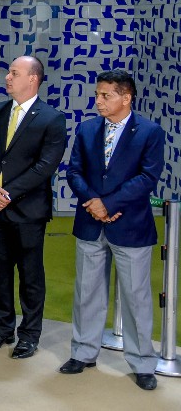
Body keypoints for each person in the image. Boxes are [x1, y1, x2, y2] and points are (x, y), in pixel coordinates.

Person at [61, 70, 164, 391]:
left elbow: (148, 177)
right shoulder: (87, 129)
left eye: (105, 95)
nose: (98, 101)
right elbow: (74, 172)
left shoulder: (150, 132)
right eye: (97, 95)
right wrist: (94, 203)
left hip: (131, 225)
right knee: (87, 292)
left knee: (136, 297)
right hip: (90, 222)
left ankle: (143, 363)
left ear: (126, 97)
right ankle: (83, 352)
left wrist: (109, 204)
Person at [0, 56, 66, 359]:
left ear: (33, 79)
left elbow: (45, 166)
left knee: (30, 276)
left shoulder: (52, 118)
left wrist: (7, 194)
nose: (7, 78)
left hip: (28, 212)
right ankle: (3, 330)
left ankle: (29, 335)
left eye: (14, 73)